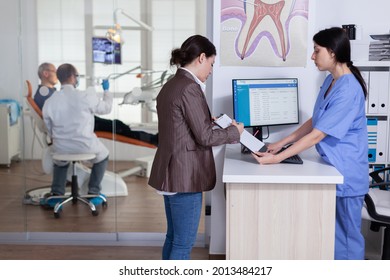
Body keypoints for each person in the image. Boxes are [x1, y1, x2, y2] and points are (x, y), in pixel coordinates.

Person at [252, 27, 369, 260]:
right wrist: (279, 143)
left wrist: (277, 158)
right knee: (330, 237)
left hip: (346, 173)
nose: (313, 56)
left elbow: (318, 135)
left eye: (316, 51)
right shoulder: (331, 82)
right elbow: (316, 120)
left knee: (346, 240)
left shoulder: (348, 89)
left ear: (333, 53)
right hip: (331, 167)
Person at [148, 35, 244, 260]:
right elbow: (204, 137)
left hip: (171, 172)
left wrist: (206, 119)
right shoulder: (190, 88)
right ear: (201, 58)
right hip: (184, 175)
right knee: (183, 244)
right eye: (211, 63)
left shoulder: (172, 84)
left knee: (173, 238)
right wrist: (235, 132)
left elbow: (181, 126)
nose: (211, 70)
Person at [34, 63, 158, 146]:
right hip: (77, 126)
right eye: (54, 71)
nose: (58, 74)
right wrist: (104, 92)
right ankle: (153, 140)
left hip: (77, 123)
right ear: (45, 73)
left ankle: (153, 139)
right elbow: (61, 112)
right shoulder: (45, 94)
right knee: (117, 126)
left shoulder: (51, 93)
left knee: (118, 125)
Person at [42, 63, 113, 206]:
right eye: (77, 76)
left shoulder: (50, 101)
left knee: (60, 163)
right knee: (103, 155)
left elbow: (49, 129)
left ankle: (56, 194)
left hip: (61, 147)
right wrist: (106, 91)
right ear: (73, 77)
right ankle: (93, 192)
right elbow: (105, 109)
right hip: (85, 146)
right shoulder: (85, 96)